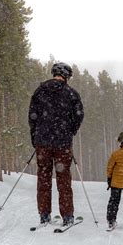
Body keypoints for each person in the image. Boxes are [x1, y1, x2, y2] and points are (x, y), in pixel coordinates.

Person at [28, 62, 84, 227]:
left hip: (42, 143)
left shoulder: (39, 91)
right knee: (63, 179)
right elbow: (79, 116)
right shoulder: (71, 93)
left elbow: (32, 117)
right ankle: (67, 216)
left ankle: (44, 215)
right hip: (62, 144)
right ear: (66, 76)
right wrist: (69, 131)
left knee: (43, 178)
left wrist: (36, 138)